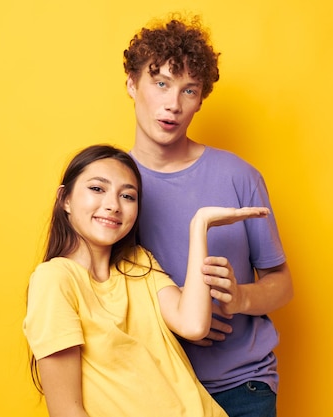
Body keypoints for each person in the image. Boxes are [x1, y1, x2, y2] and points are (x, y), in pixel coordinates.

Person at [123, 14, 294, 417]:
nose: (172, 104)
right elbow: (96, 292)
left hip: (241, 386)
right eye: (160, 83)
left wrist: (238, 298)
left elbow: (281, 284)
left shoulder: (238, 175)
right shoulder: (112, 190)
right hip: (152, 389)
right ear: (132, 85)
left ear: (200, 100)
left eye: (189, 90)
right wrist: (177, 321)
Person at [23, 144, 271, 417]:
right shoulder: (55, 279)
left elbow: (193, 325)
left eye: (127, 196)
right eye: (97, 189)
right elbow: (66, 410)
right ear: (65, 200)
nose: (113, 205)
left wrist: (199, 225)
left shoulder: (137, 262)